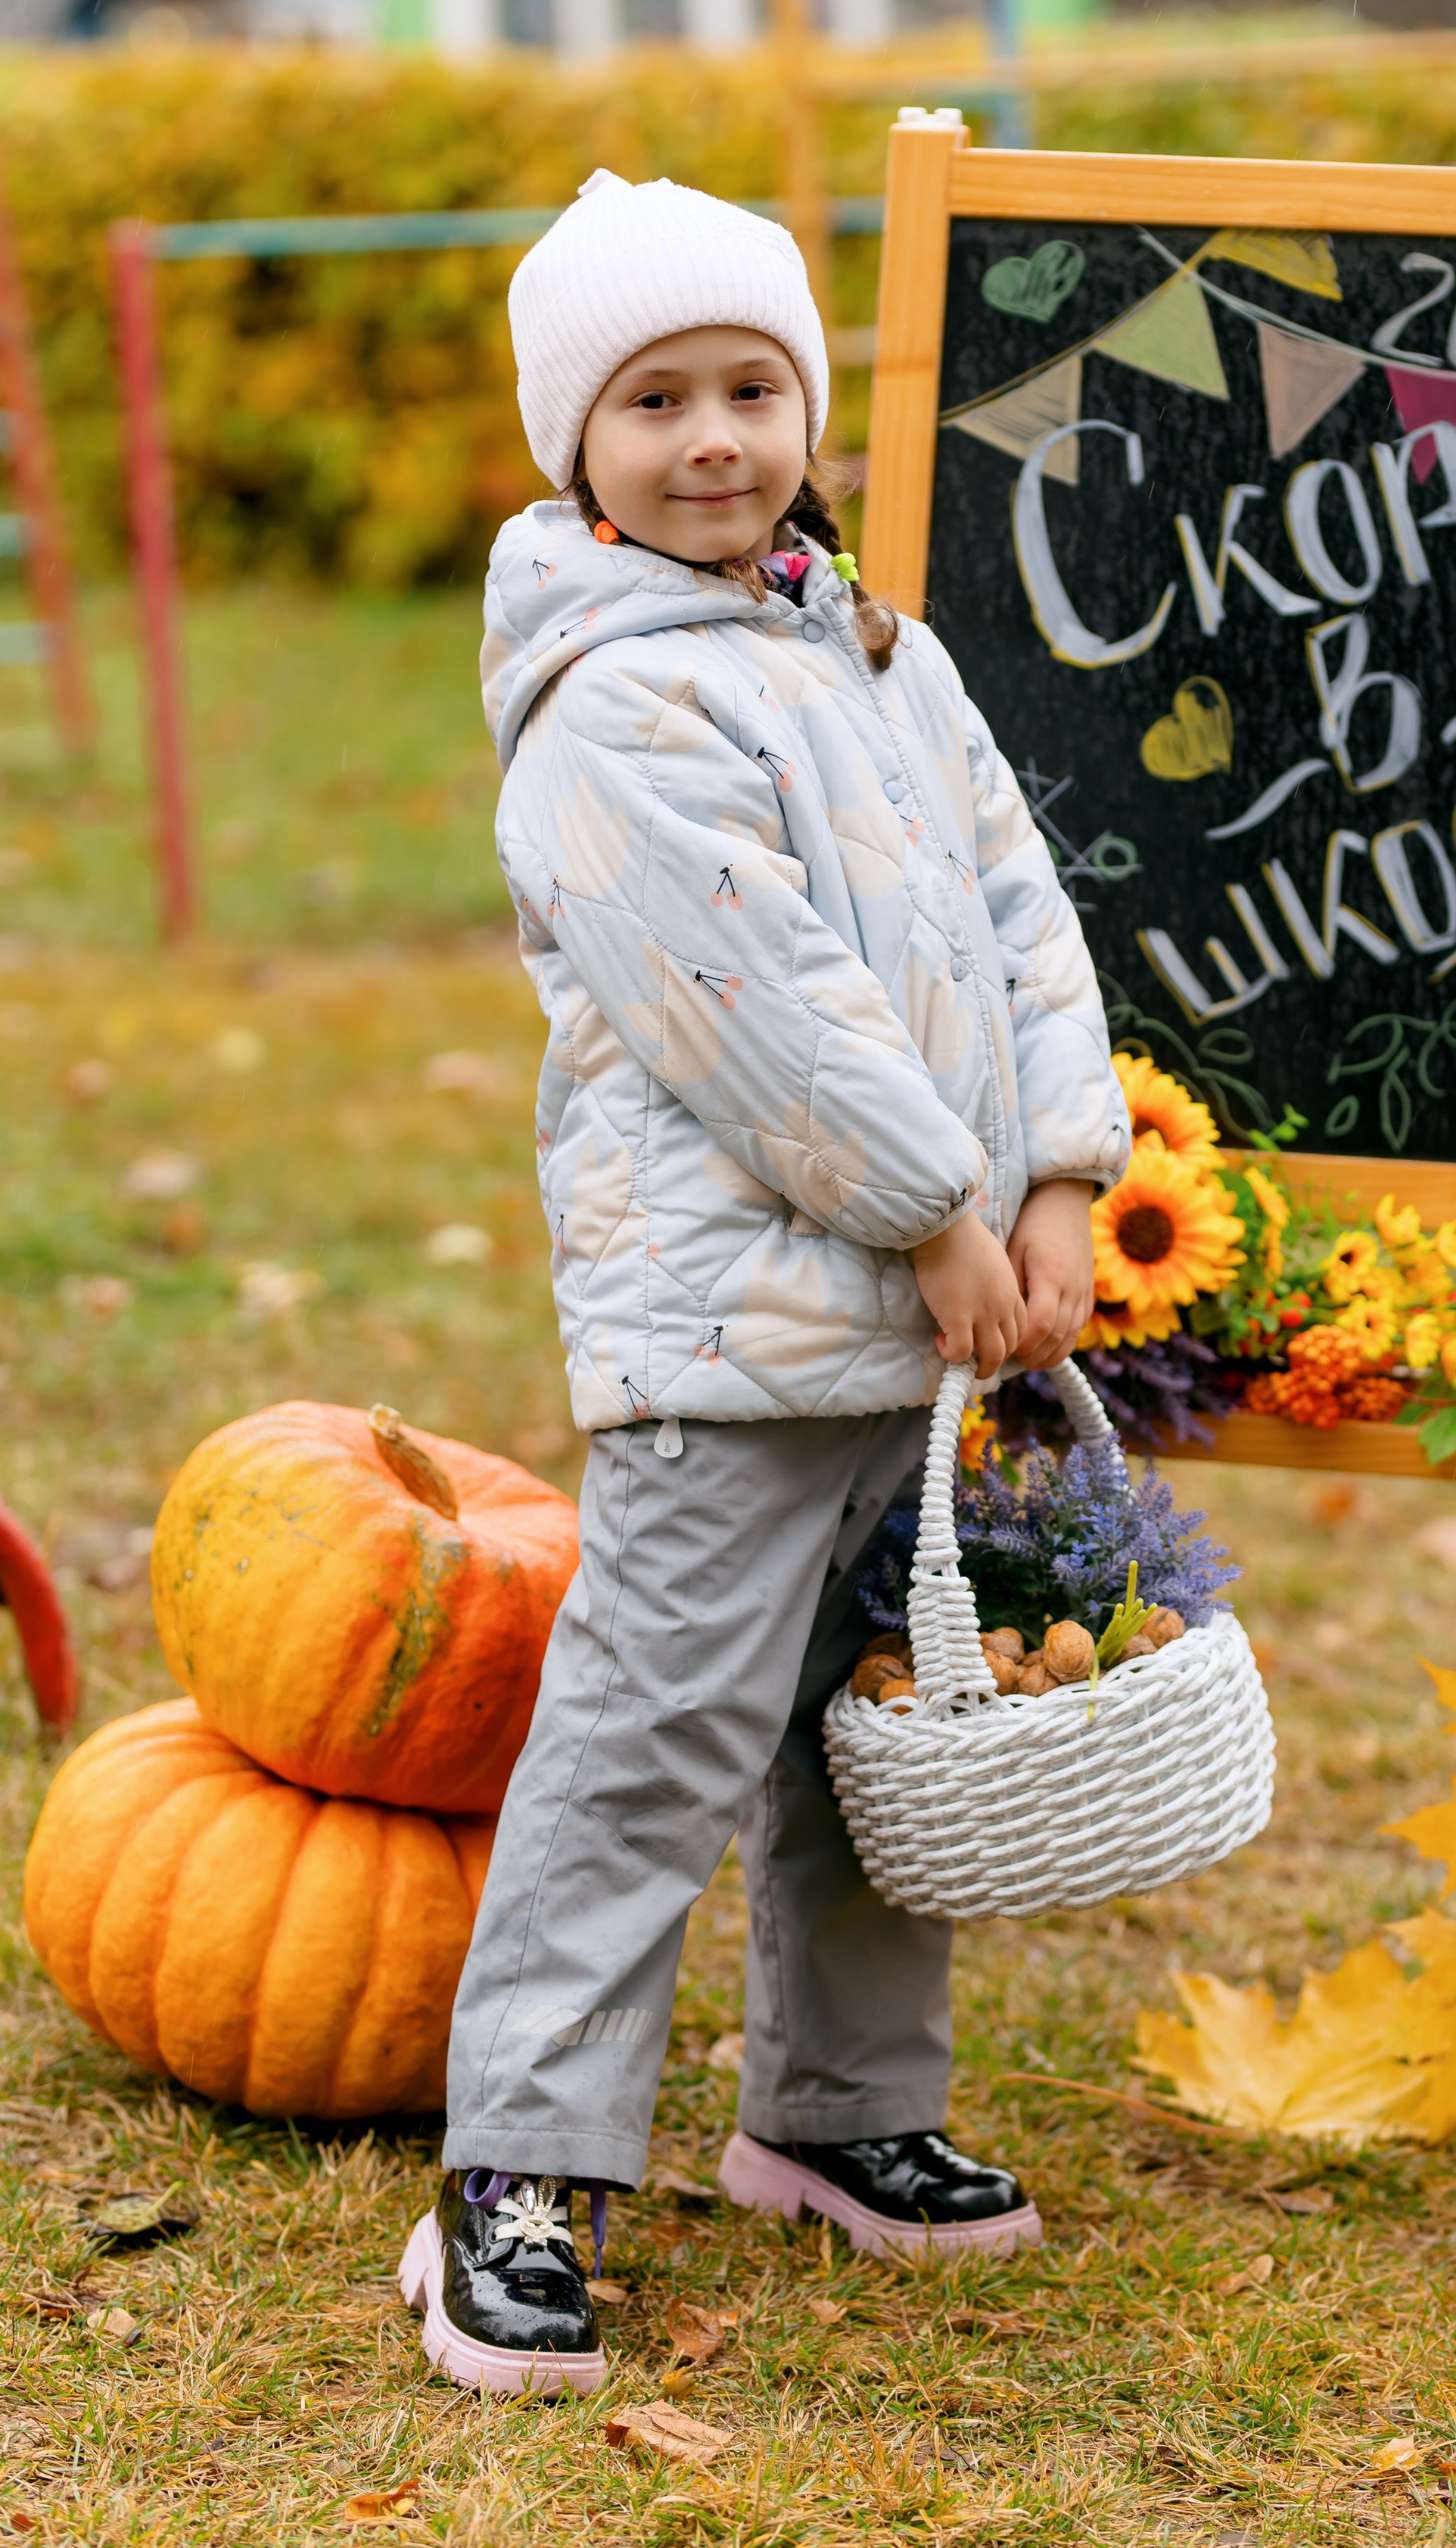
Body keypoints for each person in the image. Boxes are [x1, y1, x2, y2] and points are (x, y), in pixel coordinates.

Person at [397, 172, 1131, 2395]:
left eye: (751, 389)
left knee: (878, 1720)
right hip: (736, 1328)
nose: (713, 437)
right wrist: (933, 1202)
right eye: (654, 402)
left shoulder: (870, 649)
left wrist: (1061, 1183)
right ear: (573, 443)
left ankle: (842, 2115)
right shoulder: (610, 704)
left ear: (806, 410)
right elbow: (751, 1005)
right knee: (657, 1733)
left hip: (930, 1308)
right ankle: (514, 2175)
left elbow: (1021, 909)